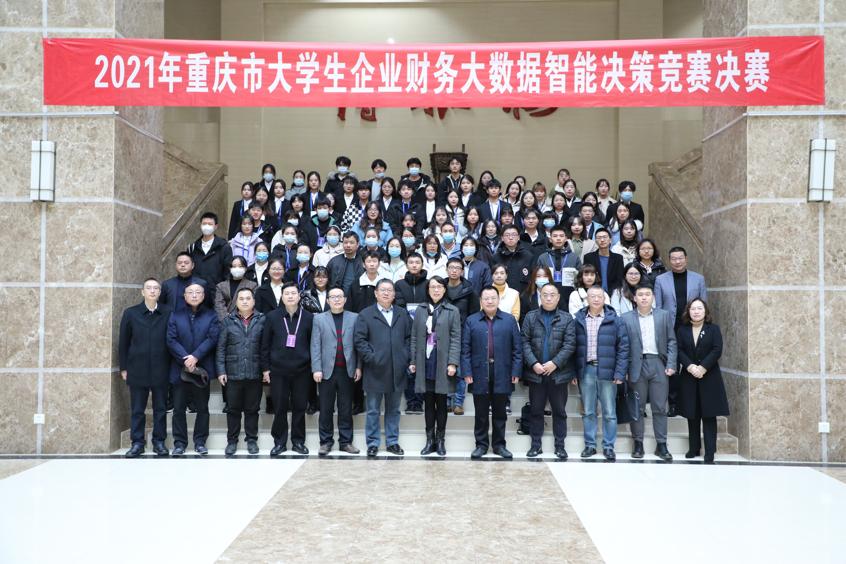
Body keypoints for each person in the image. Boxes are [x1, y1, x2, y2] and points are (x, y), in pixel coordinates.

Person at [461, 286, 523, 459]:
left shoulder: (509, 320)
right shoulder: (471, 321)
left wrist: (516, 371)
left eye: (493, 298)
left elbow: (517, 349)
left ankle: (499, 445)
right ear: (481, 301)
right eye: (486, 298)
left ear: (498, 299)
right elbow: (465, 349)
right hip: (478, 372)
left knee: (500, 413)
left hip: (503, 372)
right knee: (480, 413)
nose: (489, 301)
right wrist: (466, 371)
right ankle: (481, 445)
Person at [353, 280, 413, 457]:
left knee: (394, 409)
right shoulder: (366, 314)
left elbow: (410, 338)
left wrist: (404, 356)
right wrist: (372, 358)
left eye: (389, 290)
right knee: (373, 410)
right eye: (383, 290)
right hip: (375, 370)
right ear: (376, 293)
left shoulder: (402, 314)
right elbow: (359, 340)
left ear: (394, 294)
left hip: (397, 369)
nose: (386, 293)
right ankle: (372, 443)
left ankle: (392, 442)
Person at [621, 284, 677, 461]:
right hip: (636, 366)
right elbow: (622, 346)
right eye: (640, 294)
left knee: (659, 407)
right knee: (637, 407)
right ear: (634, 298)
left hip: (658, 364)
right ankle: (638, 443)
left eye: (647, 294)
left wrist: (671, 363)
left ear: (653, 297)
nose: (644, 297)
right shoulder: (625, 318)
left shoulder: (663, 315)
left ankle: (662, 444)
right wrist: (624, 370)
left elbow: (672, 341)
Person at [574, 286, 629, 461]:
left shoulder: (615, 320)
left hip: (608, 371)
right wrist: (575, 372)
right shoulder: (579, 319)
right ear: (587, 299)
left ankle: (608, 446)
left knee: (609, 412)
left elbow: (623, 348)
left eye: (599, 296)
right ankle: (590, 445)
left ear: (604, 299)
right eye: (592, 296)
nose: (596, 299)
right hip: (586, 370)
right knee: (588, 411)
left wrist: (620, 373)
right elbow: (574, 348)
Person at [521, 284, 576, 459]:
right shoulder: (530, 317)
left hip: (558, 374)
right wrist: (533, 363)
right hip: (536, 373)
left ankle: (560, 446)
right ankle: (535, 445)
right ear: (540, 296)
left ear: (558, 297)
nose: (549, 298)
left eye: (552, 295)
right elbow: (524, 342)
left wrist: (555, 363)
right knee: (536, 411)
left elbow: (570, 344)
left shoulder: (567, 319)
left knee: (559, 411)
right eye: (545, 295)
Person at [119, 278, 171, 458]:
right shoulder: (131, 313)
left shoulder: (168, 312)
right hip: (137, 368)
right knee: (137, 409)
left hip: (161, 367)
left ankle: (159, 442)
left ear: (160, 292)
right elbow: (123, 342)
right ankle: (137, 443)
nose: (152, 291)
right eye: (148, 288)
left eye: (156, 288)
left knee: (160, 409)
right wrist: (124, 368)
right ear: (142, 292)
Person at [410, 276, 462, 456]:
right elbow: (414, 337)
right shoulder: (420, 310)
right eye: (432, 287)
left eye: (439, 287)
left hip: (442, 361)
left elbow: (456, 338)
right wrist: (413, 361)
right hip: (424, 361)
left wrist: (453, 362)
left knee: (441, 402)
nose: (436, 290)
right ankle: (429, 440)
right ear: (428, 290)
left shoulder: (452, 310)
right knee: (428, 402)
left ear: (445, 289)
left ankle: (440, 440)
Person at [166, 283, 219, 456]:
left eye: (198, 292)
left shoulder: (211, 315)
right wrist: (186, 358)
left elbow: (212, 338)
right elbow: (171, 340)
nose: (194, 295)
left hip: (201, 369)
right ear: (185, 295)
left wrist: (195, 356)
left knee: (202, 408)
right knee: (178, 409)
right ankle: (180, 443)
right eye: (190, 292)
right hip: (179, 368)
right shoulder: (175, 315)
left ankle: (200, 442)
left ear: (203, 296)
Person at [654, 246, 708, 416]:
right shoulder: (661, 280)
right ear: (669, 260)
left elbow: (703, 304)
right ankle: (673, 403)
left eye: (680, 258)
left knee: (692, 363)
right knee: (672, 366)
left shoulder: (698, 279)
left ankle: (692, 402)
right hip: (670, 328)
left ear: (686, 259)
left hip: (691, 327)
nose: (677, 261)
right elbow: (658, 307)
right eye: (674, 259)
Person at [262, 283, 314, 456]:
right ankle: (279, 442)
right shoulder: (272, 317)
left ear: (299, 296)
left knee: (300, 407)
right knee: (280, 407)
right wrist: (265, 369)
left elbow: (313, 344)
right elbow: (265, 345)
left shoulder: (308, 317)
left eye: (293, 293)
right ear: (282, 297)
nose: (290, 296)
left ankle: (298, 441)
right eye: (287, 293)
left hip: (302, 370)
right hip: (278, 371)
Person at [676, 298, 730, 463]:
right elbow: (679, 350)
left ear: (705, 311)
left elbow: (717, 350)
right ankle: (694, 448)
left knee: (709, 415)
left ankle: (710, 451)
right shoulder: (682, 330)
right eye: (693, 309)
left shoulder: (713, 329)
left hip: (709, 376)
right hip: (689, 376)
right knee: (692, 414)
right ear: (688, 311)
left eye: (699, 308)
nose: (696, 311)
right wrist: (690, 366)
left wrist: (703, 368)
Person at [311, 287, 362, 455]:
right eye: (333, 297)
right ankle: (326, 442)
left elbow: (359, 344)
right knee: (325, 408)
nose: (337, 300)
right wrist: (316, 369)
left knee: (346, 408)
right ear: (327, 300)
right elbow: (315, 345)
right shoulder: (319, 319)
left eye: (340, 296)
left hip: (347, 370)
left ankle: (346, 442)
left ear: (345, 299)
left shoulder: (354, 318)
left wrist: (358, 366)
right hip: (326, 371)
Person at [217, 287, 266, 455]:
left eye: (248, 298)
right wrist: (221, 371)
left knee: (252, 410)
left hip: (254, 371)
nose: (245, 301)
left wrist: (265, 370)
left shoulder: (262, 319)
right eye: (241, 299)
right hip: (233, 373)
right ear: (236, 302)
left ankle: (251, 440)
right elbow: (221, 348)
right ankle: (232, 441)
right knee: (233, 409)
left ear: (254, 301)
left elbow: (265, 347)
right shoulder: (227, 321)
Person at [444, 258, 479, 416]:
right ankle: (447, 400)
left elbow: (474, 314)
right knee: (444, 367)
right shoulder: (440, 287)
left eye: (457, 268)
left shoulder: (469, 290)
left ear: (462, 271)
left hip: (463, 333)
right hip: (443, 332)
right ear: (446, 269)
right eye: (451, 267)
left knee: (460, 369)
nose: (454, 270)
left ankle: (458, 402)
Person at [188, 212, 233, 301]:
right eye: (204, 224)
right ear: (200, 225)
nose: (207, 226)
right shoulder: (193, 247)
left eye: (210, 224)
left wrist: (224, 292)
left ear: (216, 226)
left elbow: (227, 272)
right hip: (197, 294)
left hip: (217, 294)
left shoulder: (224, 247)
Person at [215, 256, 257, 321]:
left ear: (245, 268)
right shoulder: (221, 286)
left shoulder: (252, 285)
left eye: (240, 266)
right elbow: (219, 305)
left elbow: (253, 304)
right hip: (225, 321)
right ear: (230, 268)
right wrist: (226, 320)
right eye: (234, 266)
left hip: (245, 320)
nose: (237, 269)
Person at [495, 225, 535, 294]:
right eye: (507, 235)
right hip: (503, 295)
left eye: (513, 235)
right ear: (502, 238)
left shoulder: (528, 256)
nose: (510, 238)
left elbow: (533, 278)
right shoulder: (496, 257)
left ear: (518, 237)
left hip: (524, 296)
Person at [583, 228, 624, 295]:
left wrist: (611, 294)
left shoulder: (618, 258)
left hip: (613, 294)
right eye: (599, 238)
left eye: (604, 237)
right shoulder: (589, 257)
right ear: (595, 241)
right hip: (594, 293)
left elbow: (619, 280)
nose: (602, 240)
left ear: (610, 240)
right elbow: (587, 277)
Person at [326, 232, 364, 296]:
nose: (348, 245)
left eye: (351, 243)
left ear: (357, 244)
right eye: (345, 242)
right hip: (337, 297)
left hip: (358, 297)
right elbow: (328, 281)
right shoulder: (334, 261)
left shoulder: (363, 262)